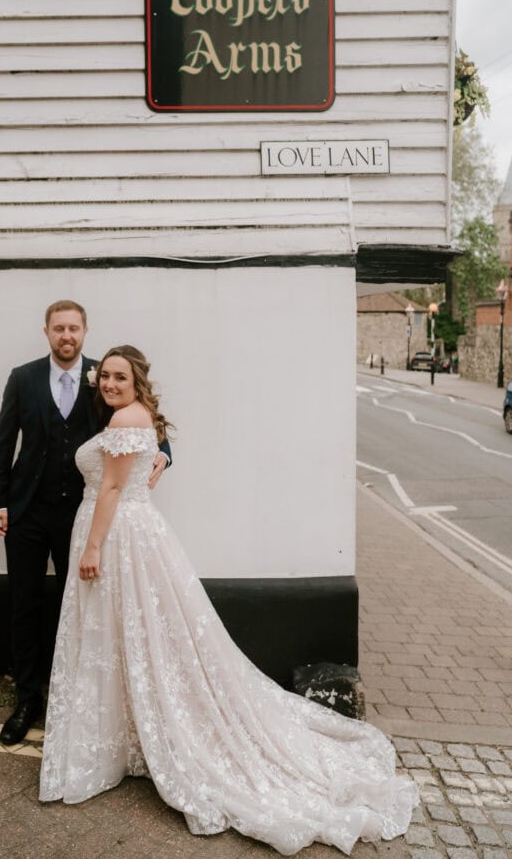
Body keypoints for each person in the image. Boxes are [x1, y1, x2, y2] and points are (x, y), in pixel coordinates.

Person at [39, 345, 419, 856]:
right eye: (104, 376)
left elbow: (109, 488)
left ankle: (127, 741)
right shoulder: (133, 415)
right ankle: (126, 735)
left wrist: (91, 546)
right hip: (130, 530)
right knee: (125, 636)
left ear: (137, 381)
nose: (108, 384)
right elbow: (142, 455)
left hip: (117, 536)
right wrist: (157, 458)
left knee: (125, 634)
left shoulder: (128, 418)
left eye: (119, 377)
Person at [0, 303, 171, 746]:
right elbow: (3, 439)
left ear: (85, 331)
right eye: (58, 328)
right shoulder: (23, 377)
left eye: (74, 328)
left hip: (84, 517)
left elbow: (144, 421)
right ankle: (27, 700)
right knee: (24, 604)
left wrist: (164, 453)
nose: (66, 335)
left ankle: (78, 701)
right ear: (46, 332)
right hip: (28, 510)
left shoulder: (105, 376)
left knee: (89, 609)